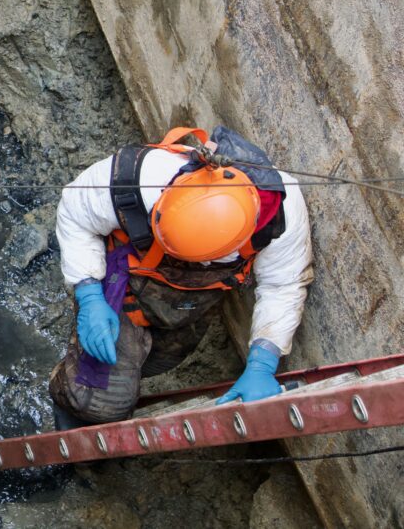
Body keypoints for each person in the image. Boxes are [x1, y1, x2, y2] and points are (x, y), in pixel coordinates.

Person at [49, 126, 312, 424]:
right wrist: (89, 295)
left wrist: (262, 363)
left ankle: (125, 368)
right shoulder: (140, 178)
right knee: (97, 401)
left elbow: (282, 285)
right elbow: (74, 212)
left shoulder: (278, 216)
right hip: (124, 288)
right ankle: (70, 396)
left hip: (190, 305)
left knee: (158, 362)